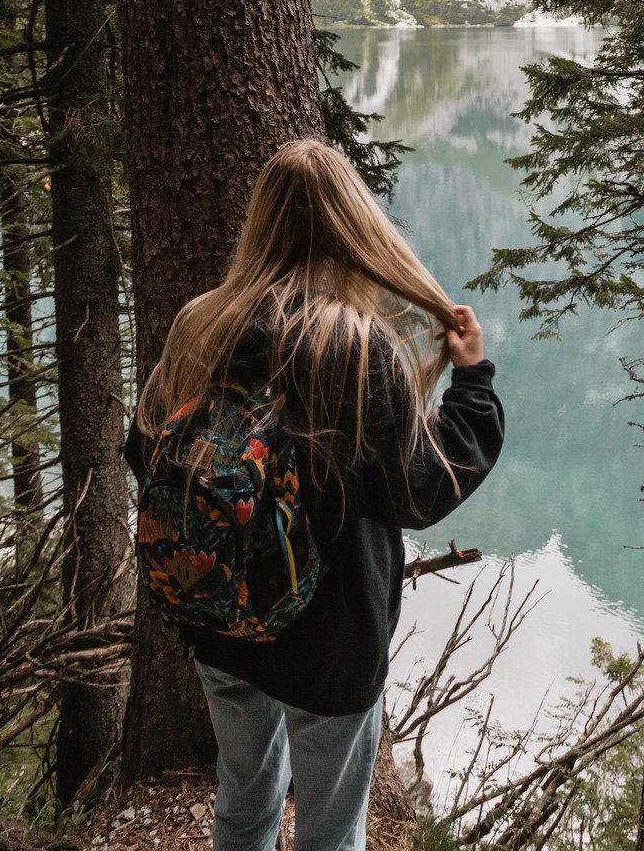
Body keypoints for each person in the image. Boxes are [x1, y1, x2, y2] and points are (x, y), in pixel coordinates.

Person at [124, 137, 505, 851]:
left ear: (260, 220)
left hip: (219, 617)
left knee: (243, 801)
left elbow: (144, 453)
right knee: (330, 831)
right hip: (332, 642)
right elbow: (424, 489)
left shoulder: (199, 323)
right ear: (355, 230)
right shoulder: (353, 346)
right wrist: (472, 380)